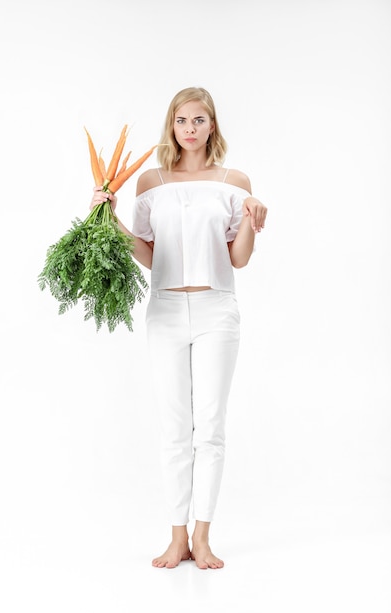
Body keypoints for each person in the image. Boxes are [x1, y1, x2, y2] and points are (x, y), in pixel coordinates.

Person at [90, 87, 267, 569]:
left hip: (217, 310)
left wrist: (252, 220)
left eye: (199, 120)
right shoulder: (151, 182)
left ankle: (203, 536)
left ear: (213, 126)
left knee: (209, 427)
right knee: (174, 427)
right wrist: (108, 220)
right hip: (166, 312)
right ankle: (176, 538)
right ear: (172, 126)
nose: (190, 128)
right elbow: (149, 254)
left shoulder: (235, 181)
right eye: (182, 120)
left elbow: (239, 258)